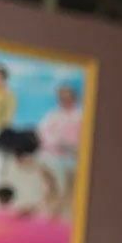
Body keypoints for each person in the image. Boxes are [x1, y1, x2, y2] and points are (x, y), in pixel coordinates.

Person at [36, 83, 83, 215]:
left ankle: (57, 213)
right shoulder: (53, 115)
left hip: (71, 158)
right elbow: (42, 134)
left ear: (74, 98)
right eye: (62, 98)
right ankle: (49, 213)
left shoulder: (81, 116)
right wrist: (55, 144)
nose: (65, 101)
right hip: (51, 156)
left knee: (68, 190)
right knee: (49, 186)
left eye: (68, 97)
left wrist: (69, 147)